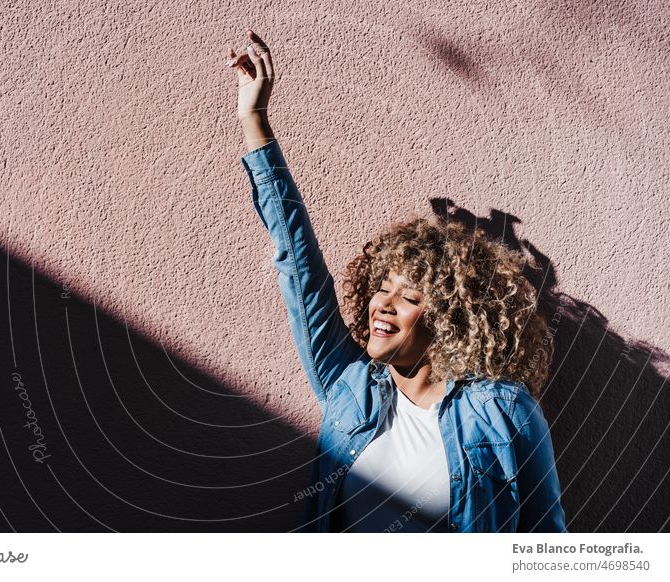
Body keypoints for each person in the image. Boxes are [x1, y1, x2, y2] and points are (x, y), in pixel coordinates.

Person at [226, 30, 568, 533]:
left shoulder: (503, 412)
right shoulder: (348, 386)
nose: (383, 305)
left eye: (408, 297)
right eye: (381, 289)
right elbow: (299, 266)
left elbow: (546, 539)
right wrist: (254, 121)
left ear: (451, 321)